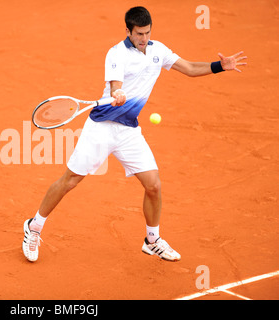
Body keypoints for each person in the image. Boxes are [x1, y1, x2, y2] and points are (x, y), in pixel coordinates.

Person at [22, 6, 247, 262]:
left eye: (148, 32)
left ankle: (152, 240)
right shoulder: (116, 54)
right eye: (139, 33)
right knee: (70, 180)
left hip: (129, 130)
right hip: (102, 128)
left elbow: (190, 68)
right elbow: (116, 84)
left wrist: (221, 66)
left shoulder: (158, 51)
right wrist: (117, 93)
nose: (144, 38)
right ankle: (34, 226)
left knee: (153, 186)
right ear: (128, 31)